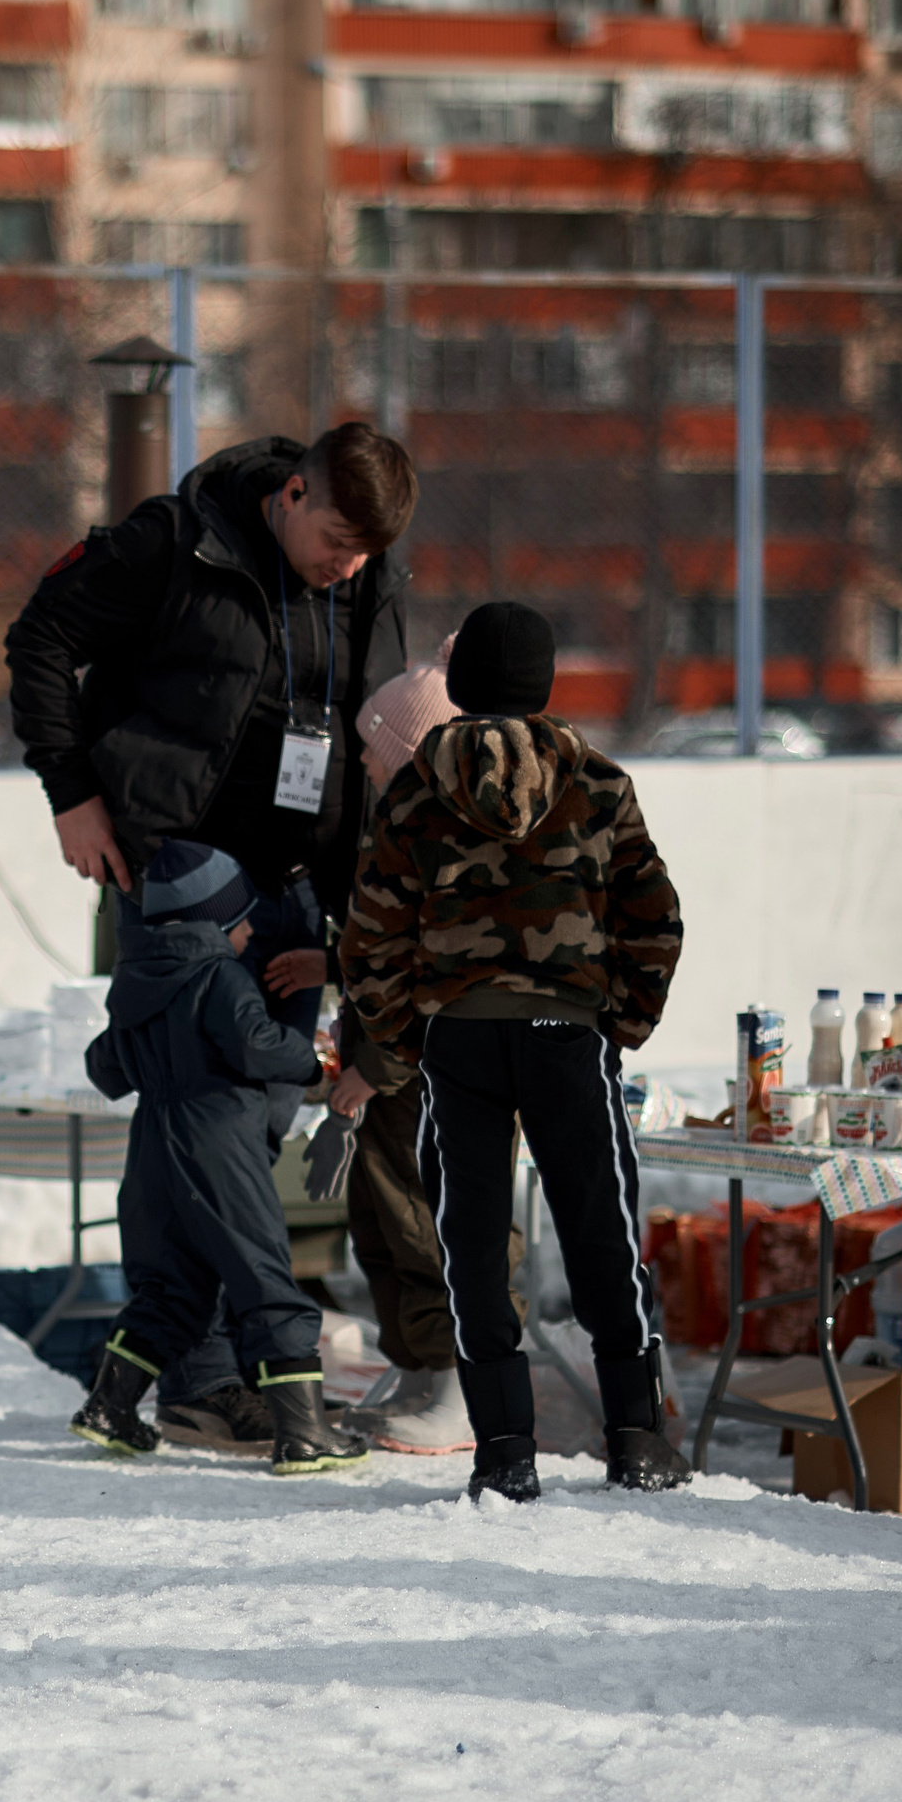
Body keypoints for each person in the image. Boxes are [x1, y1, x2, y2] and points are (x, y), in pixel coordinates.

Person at [5, 422, 418, 1446]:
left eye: (367, 550)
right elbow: (40, 639)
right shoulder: (174, 540)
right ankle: (208, 1372)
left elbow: (369, 728)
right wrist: (73, 794)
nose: (348, 564)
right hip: (180, 882)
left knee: (257, 1118)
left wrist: (357, 907)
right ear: (289, 492)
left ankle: (192, 1368)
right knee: (207, 1124)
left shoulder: (366, 574)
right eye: (335, 537)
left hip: (296, 887)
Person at [338, 601, 686, 1503]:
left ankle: (503, 1449)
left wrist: (406, 1035)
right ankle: (637, 1436)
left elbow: (372, 933)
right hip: (568, 1034)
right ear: (544, 686)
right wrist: (621, 1020)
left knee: (472, 1241)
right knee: (601, 1229)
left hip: (459, 1041)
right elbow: (655, 915)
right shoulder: (598, 781)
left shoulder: (413, 790)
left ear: (454, 688)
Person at [276, 644, 527, 1454]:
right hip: (390, 1070)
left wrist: (369, 1071)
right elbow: (386, 947)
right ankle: (421, 1370)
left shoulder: (459, 842)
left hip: (433, 1075)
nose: (369, 774)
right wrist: (336, 966)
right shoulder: (409, 827)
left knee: (436, 1224)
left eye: (380, 760)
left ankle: (465, 1387)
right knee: (383, 1223)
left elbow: (437, 975)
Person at [70, 841, 370, 1474]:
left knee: (173, 1287)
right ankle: (304, 1431)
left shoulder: (135, 979)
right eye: (242, 922)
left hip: (153, 1142)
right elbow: (257, 1047)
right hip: (220, 1138)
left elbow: (104, 1067)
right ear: (214, 924)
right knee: (263, 1277)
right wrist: (311, 1058)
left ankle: (109, 1406)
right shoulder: (218, 975)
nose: (252, 931)